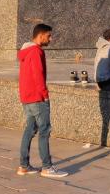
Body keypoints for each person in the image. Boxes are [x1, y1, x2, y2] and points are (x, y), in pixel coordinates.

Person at [17, 23, 68, 178]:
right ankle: (47, 167)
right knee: (44, 131)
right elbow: (38, 75)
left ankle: (23, 166)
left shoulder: (25, 51)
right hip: (38, 98)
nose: (50, 39)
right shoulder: (36, 51)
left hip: (27, 97)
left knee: (29, 130)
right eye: (48, 35)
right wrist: (44, 95)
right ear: (40, 36)